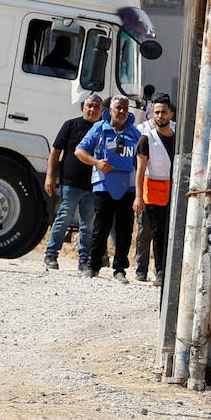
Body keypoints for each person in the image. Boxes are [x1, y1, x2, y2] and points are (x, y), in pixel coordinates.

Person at [75, 94, 142, 282]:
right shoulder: (99, 129)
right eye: (118, 108)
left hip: (128, 187)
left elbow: (142, 160)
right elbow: (79, 151)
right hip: (103, 185)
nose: (121, 111)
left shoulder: (134, 133)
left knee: (124, 230)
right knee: (100, 228)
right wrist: (96, 162)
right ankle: (93, 265)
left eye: (125, 108)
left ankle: (120, 268)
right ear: (110, 110)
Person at [41, 94, 104, 271]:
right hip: (70, 183)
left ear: (102, 111)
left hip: (93, 185)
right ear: (83, 107)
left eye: (96, 107)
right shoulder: (70, 125)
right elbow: (55, 152)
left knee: (88, 226)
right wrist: (49, 176)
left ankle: (84, 260)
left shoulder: (103, 129)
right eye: (89, 106)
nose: (92, 110)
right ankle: (51, 255)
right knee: (63, 219)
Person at [134, 96, 176, 285]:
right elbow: (140, 171)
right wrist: (138, 196)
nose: (160, 116)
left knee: (166, 233)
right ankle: (156, 271)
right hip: (151, 194)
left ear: (171, 114)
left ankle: (164, 269)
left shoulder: (178, 137)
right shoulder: (146, 138)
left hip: (172, 194)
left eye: (163, 112)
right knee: (152, 233)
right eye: (157, 112)